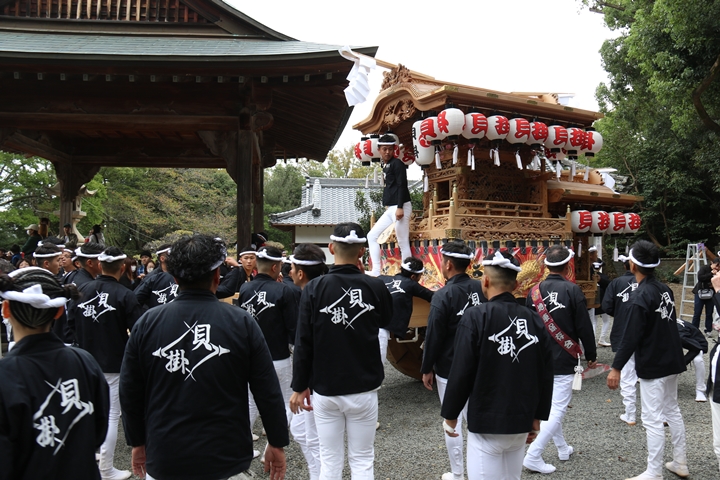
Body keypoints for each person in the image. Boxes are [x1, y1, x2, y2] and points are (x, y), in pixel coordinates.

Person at [120, 235, 289, 480]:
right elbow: (267, 389)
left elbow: (130, 390)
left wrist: (137, 441)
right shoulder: (241, 322)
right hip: (226, 454)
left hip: (165, 450)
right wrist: (276, 441)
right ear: (217, 276)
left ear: (175, 278)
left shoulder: (148, 323)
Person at [290, 223, 393, 480]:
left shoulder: (314, 288)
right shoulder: (376, 287)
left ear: (331, 248)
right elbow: (386, 320)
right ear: (362, 252)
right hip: (364, 386)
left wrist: (300, 385)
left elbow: (303, 341)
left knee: (330, 459)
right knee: (362, 458)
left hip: (326, 386)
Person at [441, 251, 554, 480]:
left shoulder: (475, 317)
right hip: (521, 419)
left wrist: (451, 414)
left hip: (487, 421)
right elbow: (545, 372)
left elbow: (461, 370)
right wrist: (538, 416)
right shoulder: (534, 319)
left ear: (485, 281)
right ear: (516, 285)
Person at [0, 267, 110, 479]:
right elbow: (97, 432)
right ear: (59, 311)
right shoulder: (85, 361)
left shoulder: (5, 375)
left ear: (6, 310)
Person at [607, 240, 688, 480]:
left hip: (654, 361)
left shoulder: (640, 296)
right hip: (671, 356)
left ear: (632, 265)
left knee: (652, 419)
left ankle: (654, 471)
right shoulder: (664, 289)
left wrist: (616, 367)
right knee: (672, 410)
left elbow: (630, 336)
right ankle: (680, 461)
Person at [68, 246, 142, 480]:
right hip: (113, 361)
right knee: (111, 414)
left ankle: (90, 460)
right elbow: (138, 330)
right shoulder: (125, 294)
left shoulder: (82, 290)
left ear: (100, 265)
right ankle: (106, 468)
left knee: (87, 410)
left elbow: (70, 324)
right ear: (122, 267)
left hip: (84, 360)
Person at [523, 245, 597, 475]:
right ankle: (533, 454)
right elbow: (584, 326)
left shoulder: (533, 291)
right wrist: (591, 355)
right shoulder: (573, 290)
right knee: (557, 409)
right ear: (567, 267)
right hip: (564, 356)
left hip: (537, 357)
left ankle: (563, 448)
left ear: (546, 266)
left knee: (551, 406)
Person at [421, 240, 486, 480]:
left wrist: (427, 367)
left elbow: (434, 336)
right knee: (477, 420)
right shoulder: (483, 288)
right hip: (480, 365)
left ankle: (458, 473)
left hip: (450, 367)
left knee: (452, 422)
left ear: (448, 264)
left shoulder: (443, 295)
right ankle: (481, 472)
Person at [237, 245, 298, 456]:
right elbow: (293, 328)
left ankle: (242, 445)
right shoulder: (283, 290)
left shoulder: (245, 289)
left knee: (250, 401)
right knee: (285, 400)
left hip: (250, 356)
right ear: (275, 267)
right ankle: (271, 447)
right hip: (278, 356)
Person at [287, 243, 327, 480]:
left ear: (301, 273)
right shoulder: (323, 292)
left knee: (313, 436)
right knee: (300, 430)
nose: (289, 272)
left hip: (315, 380)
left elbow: (305, 345)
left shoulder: (310, 296)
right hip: (321, 377)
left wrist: (302, 385)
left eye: (292, 268)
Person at [602, 254, 640, 425]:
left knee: (627, 373)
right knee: (652, 376)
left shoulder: (616, 283)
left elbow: (607, 306)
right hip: (647, 335)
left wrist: (620, 313)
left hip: (623, 330)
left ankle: (630, 413)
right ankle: (658, 414)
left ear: (629, 266)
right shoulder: (654, 286)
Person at [366, 134, 412, 276]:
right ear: (379, 149)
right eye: (384, 149)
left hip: (401, 206)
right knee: (372, 235)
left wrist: (400, 207)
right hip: (391, 208)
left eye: (390, 149)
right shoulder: (386, 165)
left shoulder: (397, 164)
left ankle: (407, 274)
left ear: (394, 150)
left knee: (402, 241)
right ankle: (376, 270)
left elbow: (402, 185)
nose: (387, 152)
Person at [378, 256, 434, 362]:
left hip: (369, 324)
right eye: (420, 276)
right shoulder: (411, 284)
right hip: (382, 329)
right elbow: (432, 296)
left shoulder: (382, 279)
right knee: (377, 362)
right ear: (413, 277)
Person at [134, 244, 178, 309]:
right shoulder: (151, 277)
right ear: (162, 258)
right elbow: (135, 299)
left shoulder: (178, 274)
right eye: (171, 254)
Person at [676, 318, 708, 402]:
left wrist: (683, 363)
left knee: (698, 360)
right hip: (682, 338)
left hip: (698, 343)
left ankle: (700, 389)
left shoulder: (679, 335)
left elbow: (696, 348)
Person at [692, 258, 719, 335]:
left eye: (718, 266)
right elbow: (700, 277)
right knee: (697, 312)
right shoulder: (704, 268)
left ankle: (708, 330)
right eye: (716, 265)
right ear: (712, 263)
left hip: (711, 293)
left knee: (709, 312)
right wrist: (711, 274)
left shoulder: (718, 272)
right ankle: (694, 329)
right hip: (700, 292)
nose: (717, 267)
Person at [590, 258, 611, 347]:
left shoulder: (589, 276)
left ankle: (592, 341)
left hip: (592, 301)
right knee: (606, 321)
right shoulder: (604, 277)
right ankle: (602, 339)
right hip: (603, 302)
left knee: (593, 322)